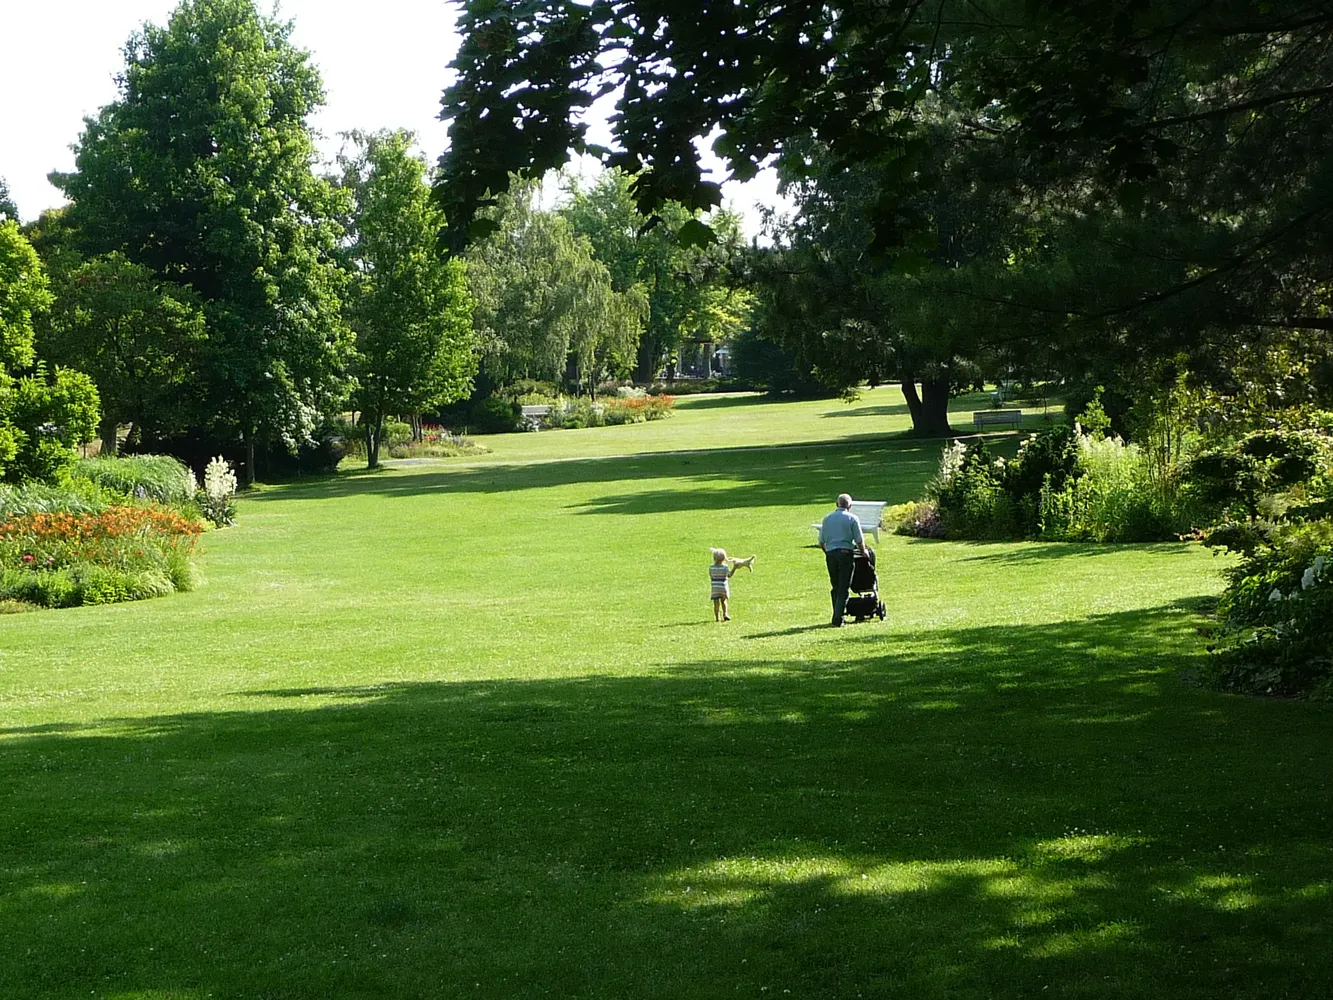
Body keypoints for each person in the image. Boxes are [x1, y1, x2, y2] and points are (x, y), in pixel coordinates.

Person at [818, 493, 869, 627]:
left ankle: (837, 613)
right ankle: (838, 617)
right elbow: (859, 540)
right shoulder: (852, 518)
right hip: (845, 553)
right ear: (850, 506)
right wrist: (864, 553)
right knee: (843, 587)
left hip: (831, 554)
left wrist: (827, 552)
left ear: (837, 504)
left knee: (835, 586)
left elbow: (821, 541)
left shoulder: (827, 518)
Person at [709, 548, 755, 622]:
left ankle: (717, 618)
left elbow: (711, 576)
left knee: (716, 604)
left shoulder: (711, 567)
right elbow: (729, 575)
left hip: (715, 588)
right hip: (723, 587)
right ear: (724, 558)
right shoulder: (725, 567)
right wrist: (734, 568)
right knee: (724, 602)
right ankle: (725, 614)